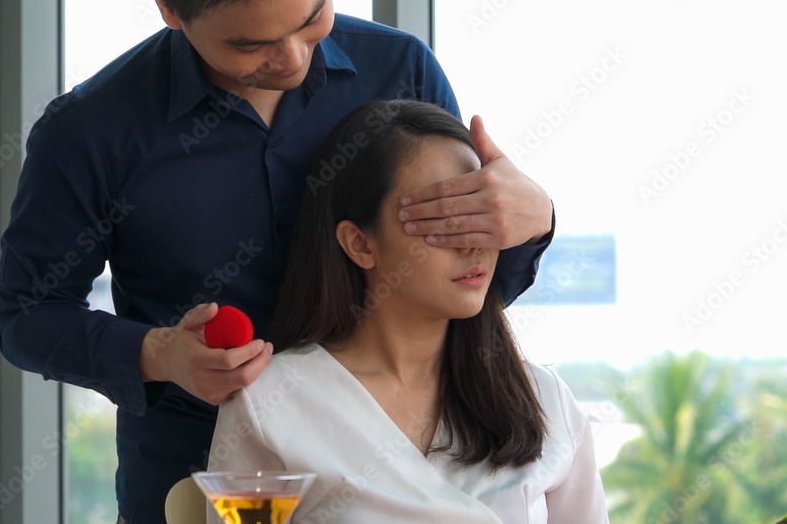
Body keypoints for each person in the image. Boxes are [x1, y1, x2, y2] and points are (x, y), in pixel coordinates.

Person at [0, 0, 555, 522]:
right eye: (250, 44)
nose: (292, 58)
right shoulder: (90, 131)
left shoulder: (400, 68)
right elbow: (26, 315)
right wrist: (159, 354)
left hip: (406, 461)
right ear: (169, 6)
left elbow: (453, 279)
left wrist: (530, 221)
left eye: (313, 19)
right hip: (197, 474)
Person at [207, 100, 607, 524]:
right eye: (445, 221)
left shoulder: (543, 400)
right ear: (360, 243)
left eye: (481, 217)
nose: (472, 243)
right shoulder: (269, 402)